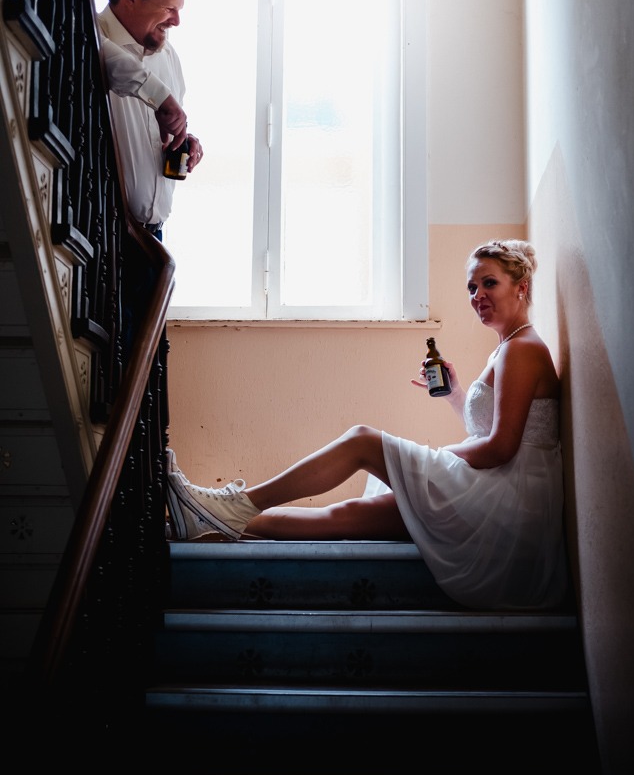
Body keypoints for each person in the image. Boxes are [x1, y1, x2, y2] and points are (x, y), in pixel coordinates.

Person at [165, 240, 568, 611]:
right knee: (348, 515)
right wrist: (456, 394)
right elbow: (487, 431)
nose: (477, 296)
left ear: (521, 286)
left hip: (509, 501)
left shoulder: (522, 349)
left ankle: (231, 504)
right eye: (471, 287)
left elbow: (500, 448)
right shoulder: (508, 347)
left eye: (489, 283)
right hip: (499, 490)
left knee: (362, 440)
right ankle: (208, 524)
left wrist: (435, 460)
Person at [97, 0, 204, 238]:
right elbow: (111, 62)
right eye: (169, 8)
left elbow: (166, 124)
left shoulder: (168, 56)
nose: (176, 21)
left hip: (153, 236)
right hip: (101, 234)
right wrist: (160, 96)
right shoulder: (90, 40)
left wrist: (186, 139)